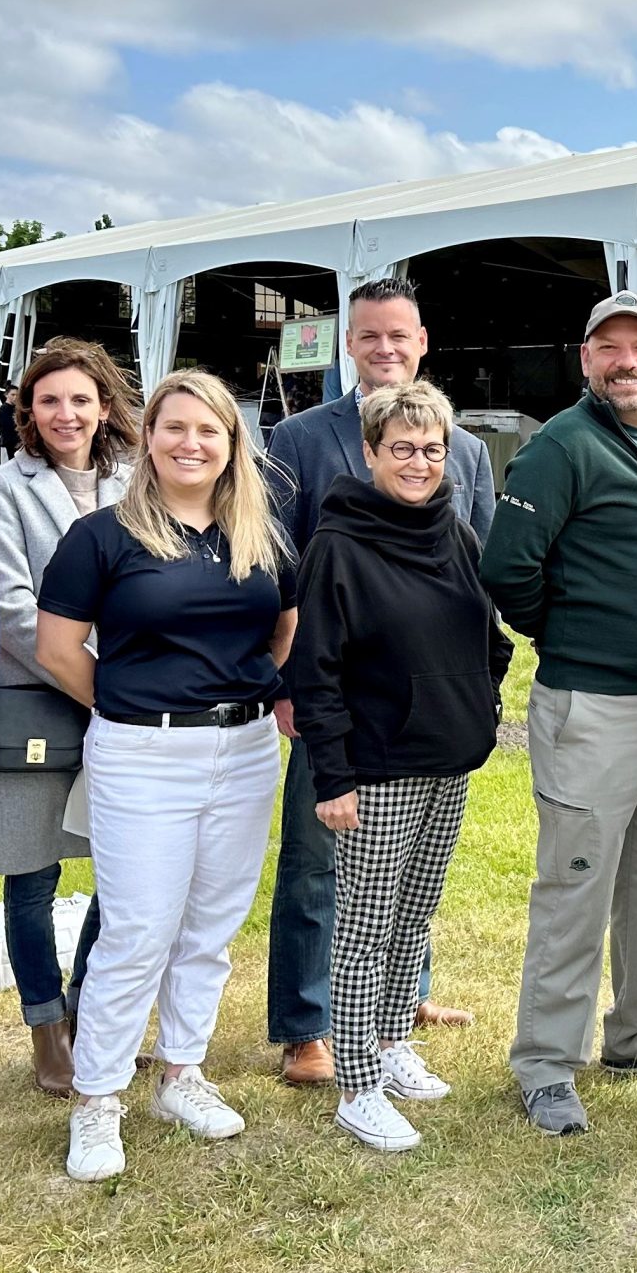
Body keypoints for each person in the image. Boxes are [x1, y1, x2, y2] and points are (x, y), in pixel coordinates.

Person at [36, 371, 296, 1182]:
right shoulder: (103, 536)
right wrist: (127, 703)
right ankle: (99, 1096)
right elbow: (55, 649)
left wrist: (234, 701)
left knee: (211, 924)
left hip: (246, 749)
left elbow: (283, 632)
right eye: (173, 427)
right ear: (147, 437)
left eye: (208, 431)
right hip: (141, 755)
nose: (191, 443)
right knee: (139, 929)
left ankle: (181, 1072)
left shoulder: (260, 533)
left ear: (231, 443)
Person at [480, 290, 637, 1135]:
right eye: (607, 346)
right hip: (592, 706)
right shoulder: (561, 446)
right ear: (586, 360)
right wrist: (575, 635)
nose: (625, 360)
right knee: (575, 885)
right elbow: (509, 571)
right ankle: (547, 1060)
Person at [263, 276, 497, 1086]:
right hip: (337, 693)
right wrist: (291, 680)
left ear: (422, 340)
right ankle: (306, 1023)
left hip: (431, 707)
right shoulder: (298, 437)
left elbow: (479, 569)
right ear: (348, 344)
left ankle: (402, 1007)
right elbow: (280, 565)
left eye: (400, 335)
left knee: (412, 869)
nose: (385, 348)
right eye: (369, 336)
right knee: (317, 858)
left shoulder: (461, 447)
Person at [0, 338, 137, 1095]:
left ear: (104, 406)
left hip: (132, 703)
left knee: (125, 868)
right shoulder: (5, 487)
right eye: (49, 400)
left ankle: (88, 1008)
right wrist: (91, 676)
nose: (66, 413)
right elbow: (8, 604)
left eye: (80, 399)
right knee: (31, 870)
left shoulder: (141, 480)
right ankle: (45, 1025)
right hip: (41, 696)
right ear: (27, 411)